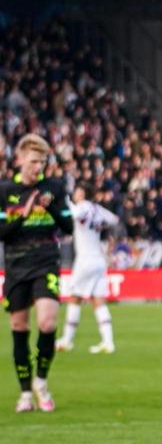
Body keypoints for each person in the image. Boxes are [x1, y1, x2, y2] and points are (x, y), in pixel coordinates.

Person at [0, 134, 73, 412]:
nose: (37, 167)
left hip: (46, 262)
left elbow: (68, 228)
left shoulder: (53, 187)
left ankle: (41, 383)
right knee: (19, 327)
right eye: (32, 162)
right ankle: (25, 394)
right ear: (19, 160)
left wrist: (51, 207)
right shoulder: (5, 191)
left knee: (47, 323)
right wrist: (24, 213)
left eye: (42, 162)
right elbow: (2, 233)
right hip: (17, 265)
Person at [56, 183, 119, 354]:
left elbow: (75, 214)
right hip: (98, 259)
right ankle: (108, 342)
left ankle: (67, 340)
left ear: (83, 194)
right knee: (98, 300)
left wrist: (68, 203)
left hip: (85, 260)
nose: (76, 195)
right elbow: (114, 219)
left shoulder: (82, 207)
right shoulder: (97, 209)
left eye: (78, 192)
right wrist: (99, 226)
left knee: (75, 297)